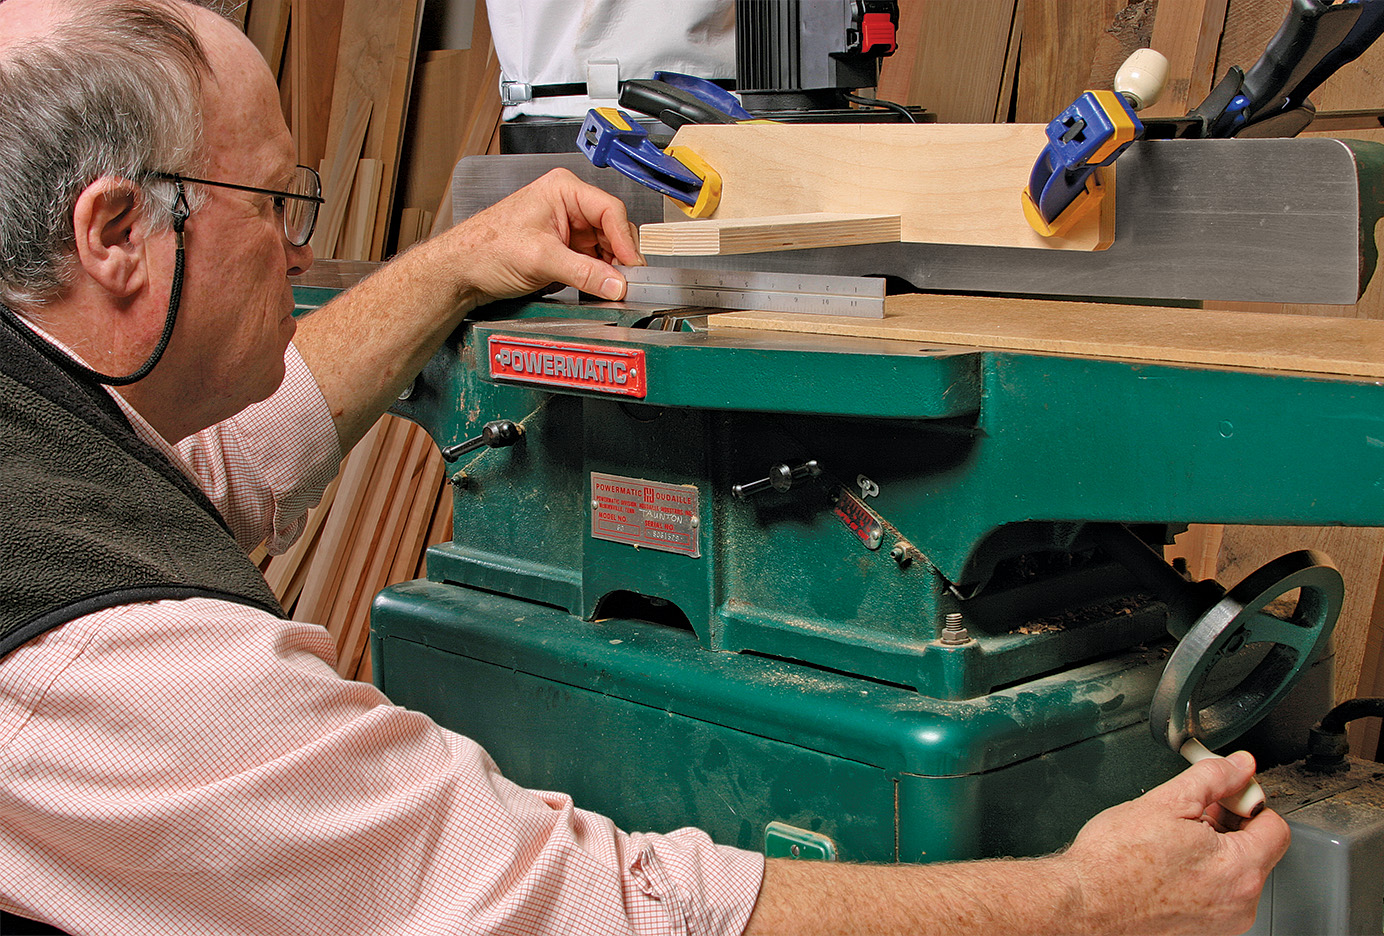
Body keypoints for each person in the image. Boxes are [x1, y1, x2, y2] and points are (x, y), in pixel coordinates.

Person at [0, 1, 1290, 933]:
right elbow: (562, 903)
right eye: (277, 204)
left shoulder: (45, 422)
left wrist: (455, 264)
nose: (298, 247)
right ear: (117, 229)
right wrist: (1082, 903)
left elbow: (214, 466)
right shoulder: (127, 671)